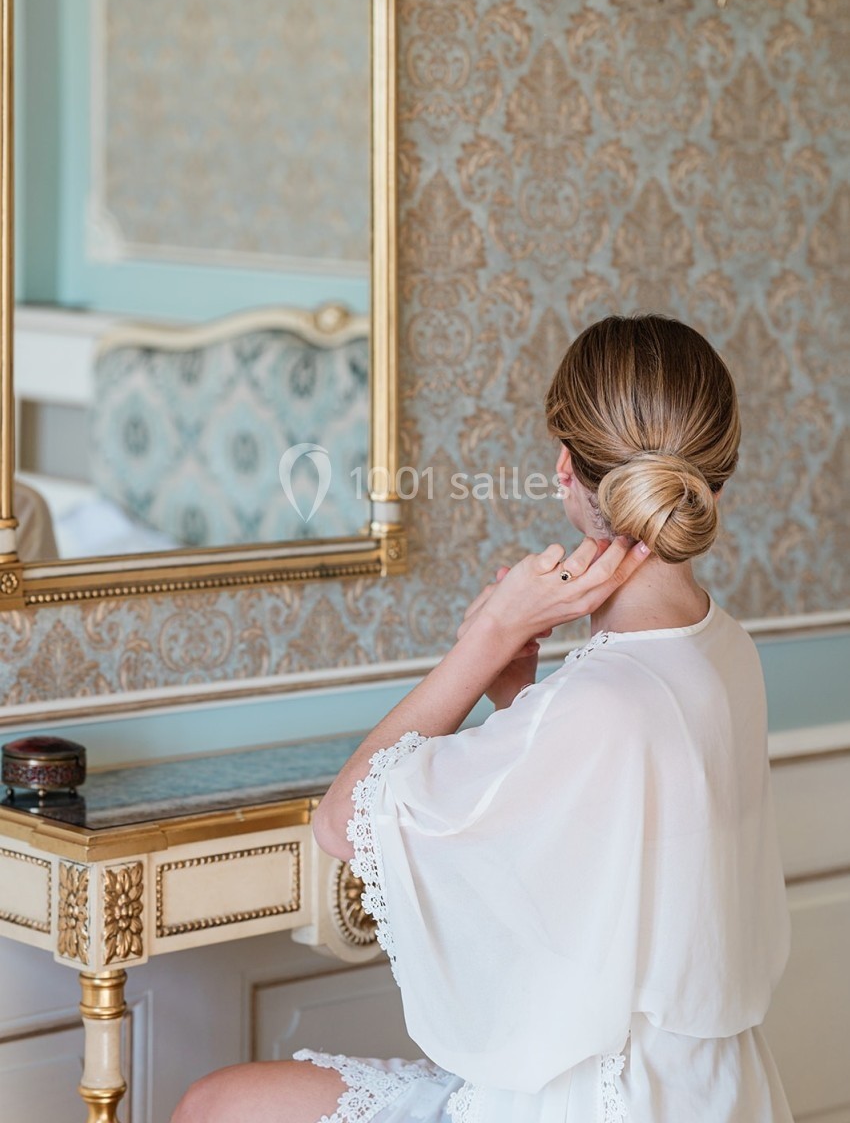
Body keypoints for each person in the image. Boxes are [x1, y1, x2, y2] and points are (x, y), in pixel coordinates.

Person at [172, 314, 793, 1123]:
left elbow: (338, 823)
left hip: (598, 1102)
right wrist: (517, 698)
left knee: (215, 1107)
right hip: (709, 1093)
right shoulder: (723, 647)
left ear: (565, 469)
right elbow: (602, 868)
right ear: (718, 470)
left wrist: (487, 637)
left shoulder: (601, 700)